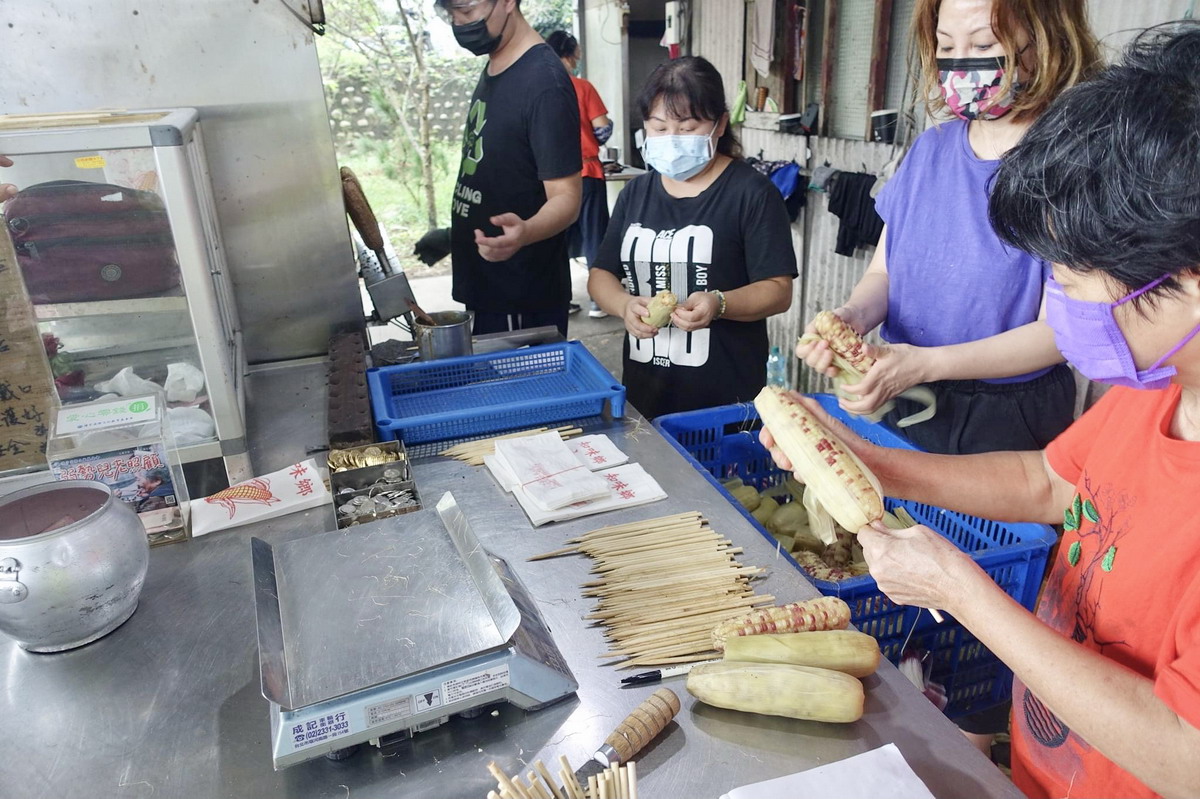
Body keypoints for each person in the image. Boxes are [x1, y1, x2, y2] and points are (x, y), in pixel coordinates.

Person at [763, 23, 1200, 798]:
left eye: (1071, 274)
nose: (1056, 300)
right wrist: (874, 464)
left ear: (1188, 281)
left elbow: (1185, 751)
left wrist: (962, 591)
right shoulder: (1156, 388)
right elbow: (1047, 482)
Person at [798, 0, 1101, 457]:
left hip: (1005, 416)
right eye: (946, 46)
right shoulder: (930, 149)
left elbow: (1059, 334)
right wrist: (850, 320)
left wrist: (925, 365)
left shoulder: (1072, 165)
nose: (961, 62)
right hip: (899, 387)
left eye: (983, 44)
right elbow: (885, 273)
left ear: (1046, 42)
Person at [587, 56, 796, 420]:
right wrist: (623, 305)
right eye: (659, 127)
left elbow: (778, 289)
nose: (672, 140)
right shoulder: (636, 193)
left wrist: (719, 302)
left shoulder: (752, 193)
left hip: (724, 401)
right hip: (645, 393)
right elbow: (601, 275)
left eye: (687, 128)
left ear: (719, 125)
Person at [436, 0, 582, 338]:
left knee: (515, 389)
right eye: (451, 15)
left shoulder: (544, 83)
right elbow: (502, 170)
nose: (460, 23)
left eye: (467, 11)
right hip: (487, 284)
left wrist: (526, 232)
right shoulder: (497, 65)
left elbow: (567, 198)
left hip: (520, 293)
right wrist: (453, 235)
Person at [546, 30, 613, 319]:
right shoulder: (582, 87)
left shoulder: (540, 88)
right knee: (594, 236)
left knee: (555, 238)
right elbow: (603, 129)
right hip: (586, 171)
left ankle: (561, 301)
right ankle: (598, 301)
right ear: (570, 53)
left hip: (549, 177)